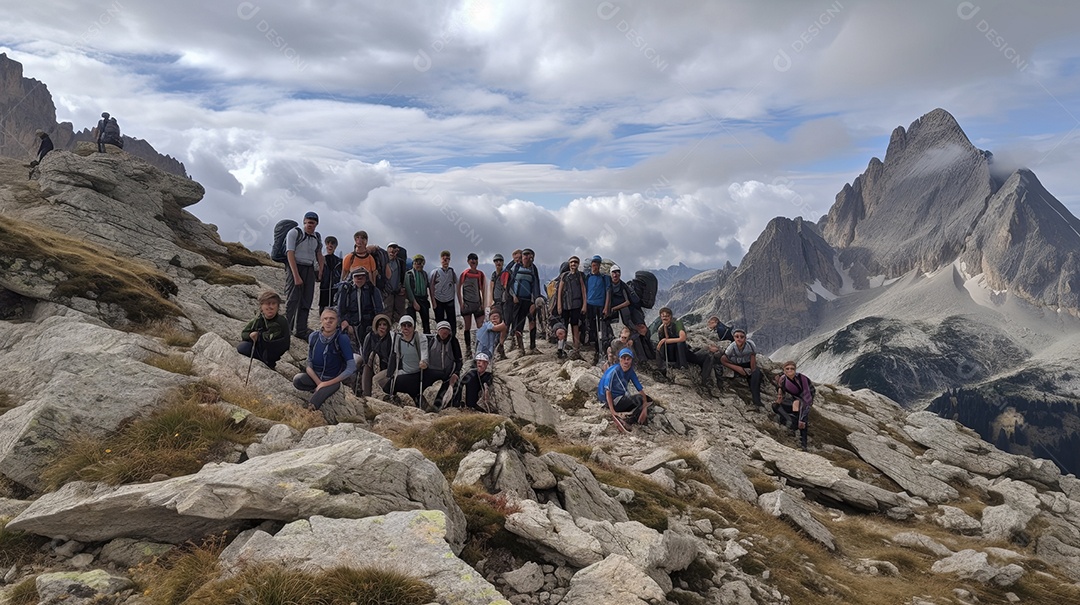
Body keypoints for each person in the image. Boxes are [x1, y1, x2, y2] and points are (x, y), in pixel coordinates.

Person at [293, 308, 355, 411]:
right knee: (297, 380)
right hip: (315, 377)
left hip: (333, 379)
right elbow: (309, 363)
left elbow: (351, 367)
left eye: (332, 319)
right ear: (321, 321)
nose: (328, 321)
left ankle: (310, 410)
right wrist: (319, 383)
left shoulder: (342, 338)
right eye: (325, 319)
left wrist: (325, 384)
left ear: (337, 322)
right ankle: (318, 389)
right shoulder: (314, 336)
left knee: (316, 400)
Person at [285, 212, 324, 339]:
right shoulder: (294, 233)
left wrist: (321, 270)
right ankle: (286, 329)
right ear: (303, 222)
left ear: (316, 224)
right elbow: (290, 253)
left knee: (307, 300)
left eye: (312, 223)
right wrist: (295, 275)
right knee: (292, 299)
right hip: (295, 265)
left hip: (309, 268)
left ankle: (301, 329)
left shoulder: (317, 237)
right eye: (307, 222)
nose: (309, 225)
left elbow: (319, 253)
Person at [597, 347, 650, 432]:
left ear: (631, 360)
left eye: (628, 359)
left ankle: (632, 417)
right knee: (640, 399)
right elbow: (607, 392)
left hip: (620, 398)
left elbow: (640, 389)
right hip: (608, 401)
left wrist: (644, 409)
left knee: (646, 399)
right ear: (619, 359)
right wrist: (613, 411)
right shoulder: (613, 371)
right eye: (623, 358)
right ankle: (629, 419)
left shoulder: (631, 371)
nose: (626, 361)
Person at [236, 290, 291, 370]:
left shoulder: (282, 321)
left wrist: (261, 336)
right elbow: (244, 333)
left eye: (273, 304)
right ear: (261, 307)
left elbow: (284, 342)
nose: (270, 307)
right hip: (260, 350)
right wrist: (251, 335)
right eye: (267, 304)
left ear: (278, 306)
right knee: (242, 347)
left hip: (274, 354)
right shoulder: (258, 319)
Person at [382, 315, 429, 406]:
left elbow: (424, 352)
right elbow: (396, 356)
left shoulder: (420, 338)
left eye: (409, 325)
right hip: (405, 372)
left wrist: (424, 361)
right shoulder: (398, 339)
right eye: (404, 325)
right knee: (387, 386)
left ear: (413, 327)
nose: (406, 328)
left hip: (418, 372)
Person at [655, 307, 712, 380]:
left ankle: (683, 366)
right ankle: (663, 368)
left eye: (667, 316)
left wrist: (666, 340)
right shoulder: (661, 329)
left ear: (671, 316)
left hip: (681, 351)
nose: (665, 318)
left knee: (680, 343)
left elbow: (682, 338)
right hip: (671, 354)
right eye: (663, 316)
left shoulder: (677, 323)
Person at [337, 267, 384, 350]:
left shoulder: (373, 290)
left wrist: (377, 325)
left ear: (366, 278)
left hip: (369, 326)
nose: (359, 279)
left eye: (362, 276)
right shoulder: (347, 290)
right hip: (351, 325)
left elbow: (379, 309)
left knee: (369, 349)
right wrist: (344, 321)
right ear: (352, 278)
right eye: (356, 276)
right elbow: (341, 308)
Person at [506, 248, 542, 354]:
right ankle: (520, 348)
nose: (527, 257)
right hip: (517, 300)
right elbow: (508, 283)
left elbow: (536, 284)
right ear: (522, 257)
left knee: (532, 322)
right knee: (518, 324)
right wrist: (513, 296)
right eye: (525, 255)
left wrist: (534, 301)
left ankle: (532, 346)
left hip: (529, 300)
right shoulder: (516, 267)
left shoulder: (533, 268)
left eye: (529, 255)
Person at [720, 329, 764, 408]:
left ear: (745, 338)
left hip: (748, 364)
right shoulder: (731, 347)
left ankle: (757, 401)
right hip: (736, 365)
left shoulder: (751, 345)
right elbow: (723, 359)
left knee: (756, 375)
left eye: (741, 337)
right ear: (734, 338)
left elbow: (752, 358)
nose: (739, 339)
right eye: (737, 337)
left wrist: (751, 371)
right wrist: (738, 369)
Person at [774, 361, 813, 450]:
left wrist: (802, 419)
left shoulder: (802, 379)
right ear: (784, 370)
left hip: (805, 398)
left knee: (803, 420)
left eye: (792, 369)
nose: (789, 370)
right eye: (787, 369)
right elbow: (779, 382)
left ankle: (803, 444)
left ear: (795, 370)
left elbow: (807, 398)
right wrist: (779, 390)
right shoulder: (783, 378)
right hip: (795, 398)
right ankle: (790, 421)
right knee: (775, 406)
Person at [555, 255, 587, 361]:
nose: (573, 264)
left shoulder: (580, 276)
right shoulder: (564, 276)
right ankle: (560, 349)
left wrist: (584, 304)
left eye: (575, 262)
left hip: (576, 305)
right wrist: (559, 305)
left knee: (575, 327)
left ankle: (576, 349)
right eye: (572, 262)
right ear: (569, 264)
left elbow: (583, 290)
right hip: (565, 305)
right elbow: (560, 291)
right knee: (562, 328)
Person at [424, 320, 463, 407]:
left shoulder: (453, 341)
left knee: (455, 383)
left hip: (448, 373)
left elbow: (459, 360)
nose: (444, 331)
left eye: (447, 329)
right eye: (442, 329)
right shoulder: (431, 341)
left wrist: (456, 373)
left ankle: (447, 405)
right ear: (438, 331)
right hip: (431, 371)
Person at [584, 255, 611, 365]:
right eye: (593, 265)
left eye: (597, 265)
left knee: (603, 328)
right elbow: (585, 291)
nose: (595, 267)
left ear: (600, 266)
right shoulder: (588, 277)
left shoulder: (604, 277)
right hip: (590, 305)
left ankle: (604, 351)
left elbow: (608, 292)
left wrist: (606, 307)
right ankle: (596, 350)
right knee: (593, 328)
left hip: (601, 306)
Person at [458, 253, 486, 357]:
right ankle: (468, 349)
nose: (473, 261)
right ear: (468, 261)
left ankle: (480, 348)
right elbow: (459, 288)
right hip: (467, 304)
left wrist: (483, 304)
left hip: (477, 303)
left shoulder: (480, 274)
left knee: (481, 327)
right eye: (471, 260)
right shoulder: (464, 274)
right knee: (467, 327)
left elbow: (483, 289)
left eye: (475, 259)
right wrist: (461, 303)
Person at [360, 314, 393, 398]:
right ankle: (366, 395)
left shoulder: (391, 338)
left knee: (376, 379)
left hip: (385, 367)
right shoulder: (370, 336)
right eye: (380, 324)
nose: (382, 327)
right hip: (372, 364)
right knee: (366, 368)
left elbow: (391, 357)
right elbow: (365, 354)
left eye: (384, 324)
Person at [430, 250, 457, 336]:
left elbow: (455, 282)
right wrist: (433, 301)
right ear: (441, 259)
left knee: (452, 321)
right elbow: (431, 286)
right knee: (440, 321)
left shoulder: (452, 271)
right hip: (438, 299)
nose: (445, 261)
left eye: (447, 259)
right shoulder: (435, 272)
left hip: (449, 299)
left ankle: (452, 338)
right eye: (443, 259)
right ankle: (440, 338)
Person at [404, 254, 432, 334]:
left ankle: (427, 339)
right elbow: (408, 289)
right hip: (412, 300)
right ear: (413, 263)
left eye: (421, 263)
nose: (418, 264)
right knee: (411, 322)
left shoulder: (425, 274)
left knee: (426, 322)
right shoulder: (409, 274)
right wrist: (414, 302)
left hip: (423, 299)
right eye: (417, 262)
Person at [382, 242, 408, 324]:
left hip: (397, 292)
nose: (393, 251)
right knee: (387, 314)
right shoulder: (383, 261)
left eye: (395, 249)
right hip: (387, 292)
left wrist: (402, 287)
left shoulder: (400, 262)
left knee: (399, 315)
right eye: (391, 248)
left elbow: (402, 275)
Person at [319, 236, 341, 313]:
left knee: (334, 309)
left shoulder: (339, 261)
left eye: (332, 243)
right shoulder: (322, 259)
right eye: (328, 243)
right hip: (324, 287)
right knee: (323, 309)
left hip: (335, 288)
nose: (330, 245)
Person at [487, 253, 507, 330]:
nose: (498, 262)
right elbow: (491, 287)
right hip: (496, 300)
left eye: (500, 261)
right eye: (496, 261)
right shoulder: (494, 274)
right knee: (496, 320)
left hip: (505, 300)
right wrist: (491, 300)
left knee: (505, 319)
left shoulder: (506, 273)